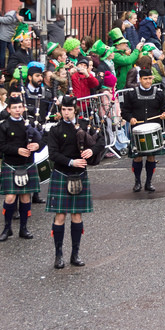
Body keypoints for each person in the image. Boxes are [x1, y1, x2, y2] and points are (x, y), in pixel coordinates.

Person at [46, 95, 105, 269]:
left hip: (79, 175)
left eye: (69, 110)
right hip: (61, 173)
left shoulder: (85, 125)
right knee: (60, 216)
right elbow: (53, 154)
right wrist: (71, 162)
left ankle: (75, 254)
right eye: (63, 109)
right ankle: (58, 255)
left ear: (75, 110)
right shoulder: (55, 130)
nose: (66, 113)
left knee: (77, 216)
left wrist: (91, 150)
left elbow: (101, 141)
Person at [0, 96, 42, 241]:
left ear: (23, 108)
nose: (17, 110)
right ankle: (7, 228)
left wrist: (37, 145)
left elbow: (40, 139)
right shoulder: (3, 126)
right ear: (8, 109)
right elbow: (1, 146)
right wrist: (17, 150)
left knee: (25, 197)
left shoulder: (29, 124)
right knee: (10, 198)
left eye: (19, 107)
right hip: (11, 163)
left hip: (27, 163)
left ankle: (24, 228)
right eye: (14, 107)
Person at [120, 69, 165, 192]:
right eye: (145, 79)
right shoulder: (131, 94)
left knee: (151, 157)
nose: (148, 81)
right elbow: (124, 112)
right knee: (137, 158)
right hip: (137, 131)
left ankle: (149, 182)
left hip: (153, 130)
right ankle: (137, 182)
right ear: (140, 79)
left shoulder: (159, 93)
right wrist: (130, 118)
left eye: (149, 78)